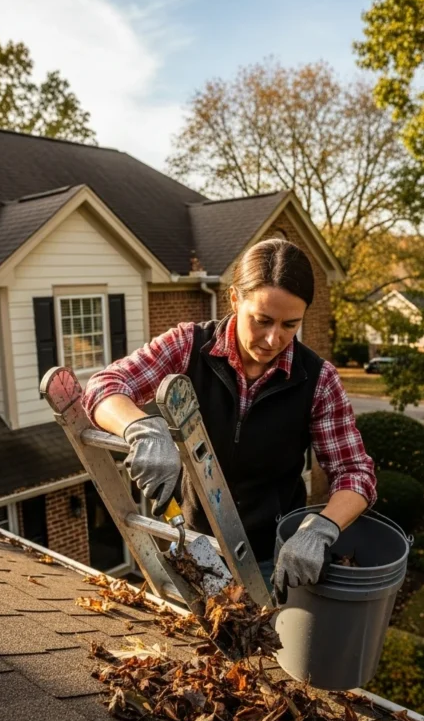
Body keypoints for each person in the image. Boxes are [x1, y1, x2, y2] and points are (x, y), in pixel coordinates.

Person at [83, 238, 376, 600]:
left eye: (290, 325)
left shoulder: (319, 380)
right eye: (262, 320)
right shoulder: (189, 345)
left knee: (262, 636)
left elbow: (355, 473)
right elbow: (103, 386)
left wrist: (320, 529)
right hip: (195, 545)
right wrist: (141, 429)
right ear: (235, 299)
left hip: (273, 558)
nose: (274, 339)